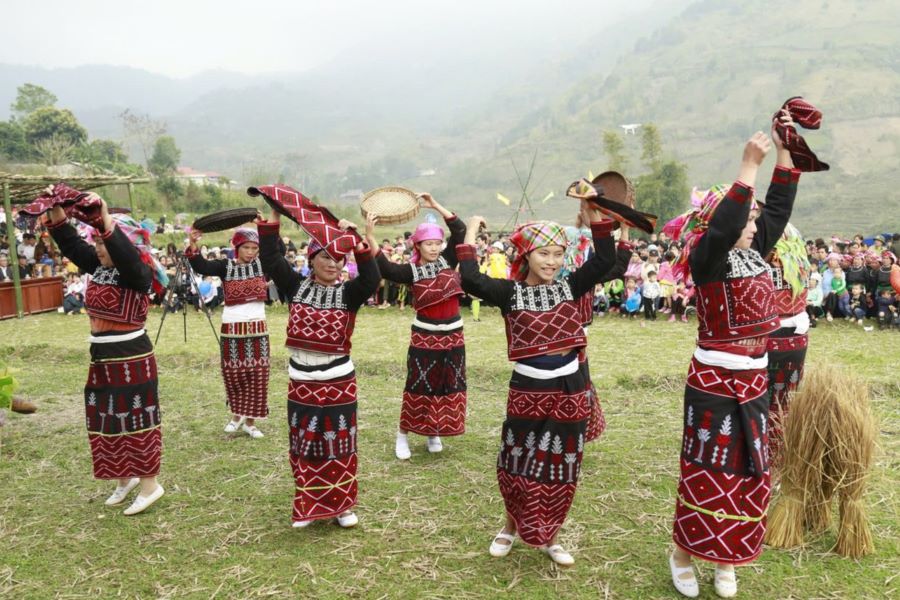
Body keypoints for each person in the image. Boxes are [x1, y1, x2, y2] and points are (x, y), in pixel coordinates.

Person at [663, 125, 799, 598]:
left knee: (750, 468)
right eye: (745, 218)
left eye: (752, 220)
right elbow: (724, 226)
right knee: (707, 466)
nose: (751, 225)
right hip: (714, 379)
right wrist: (749, 166)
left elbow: (778, 211)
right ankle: (684, 551)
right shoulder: (709, 260)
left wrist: (786, 155)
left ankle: (726, 556)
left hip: (754, 379)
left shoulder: (755, 253)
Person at [456, 198, 619, 567]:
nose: (552, 262)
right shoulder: (510, 294)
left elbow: (605, 260)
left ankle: (551, 536)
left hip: (570, 390)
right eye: (544, 253)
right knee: (518, 461)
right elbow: (469, 278)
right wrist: (470, 230)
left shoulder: (571, 286)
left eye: (558, 254)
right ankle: (509, 527)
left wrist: (593, 214)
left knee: (561, 466)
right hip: (528, 390)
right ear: (527, 255)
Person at [257, 205, 379, 530]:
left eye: (337, 259)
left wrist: (357, 241)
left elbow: (371, 278)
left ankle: (342, 506)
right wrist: (273, 219)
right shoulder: (296, 287)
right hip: (301, 380)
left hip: (339, 379)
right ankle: (308, 504)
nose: (331, 263)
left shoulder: (349, 293)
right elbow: (270, 259)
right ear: (311, 259)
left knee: (339, 443)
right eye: (324, 256)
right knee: (304, 442)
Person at [46, 189, 167, 515]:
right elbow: (70, 242)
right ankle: (123, 478)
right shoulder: (99, 267)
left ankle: (150, 485)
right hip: (101, 358)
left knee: (138, 420)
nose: (97, 248)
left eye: (102, 242)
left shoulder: (137, 273)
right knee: (107, 418)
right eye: (96, 242)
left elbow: (125, 254)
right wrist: (55, 207)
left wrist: (105, 222)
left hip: (132, 359)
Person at [366, 194, 468, 459]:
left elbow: (460, 230)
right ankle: (403, 434)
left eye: (437, 243)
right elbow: (385, 268)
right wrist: (370, 234)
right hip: (425, 336)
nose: (434, 248)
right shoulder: (410, 272)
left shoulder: (447, 260)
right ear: (418, 246)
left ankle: (433, 431)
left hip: (454, 335)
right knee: (419, 385)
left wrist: (436, 205)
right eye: (429, 244)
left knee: (447, 384)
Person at [187, 226, 270, 438]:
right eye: (246, 247)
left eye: (254, 248)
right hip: (233, 326)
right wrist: (193, 243)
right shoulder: (225, 266)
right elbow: (201, 265)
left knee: (257, 375)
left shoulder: (263, 265)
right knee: (234, 374)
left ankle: (250, 423)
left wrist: (265, 226)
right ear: (237, 247)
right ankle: (236, 416)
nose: (251, 252)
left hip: (258, 326)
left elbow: (275, 247)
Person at [763, 223, 811, 467]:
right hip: (797, 334)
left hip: (769, 336)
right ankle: (780, 452)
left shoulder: (761, 268)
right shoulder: (800, 266)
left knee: (763, 397)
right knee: (784, 398)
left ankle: (766, 453)